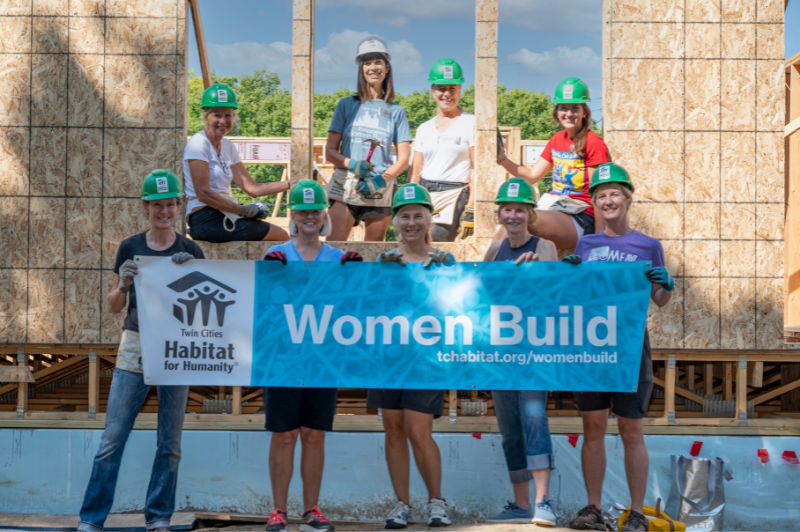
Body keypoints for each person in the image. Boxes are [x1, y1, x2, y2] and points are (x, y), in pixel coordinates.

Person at [77, 170, 204, 532]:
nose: (164, 211)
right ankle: (91, 518)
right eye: (157, 205)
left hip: (178, 350)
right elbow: (115, 305)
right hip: (136, 347)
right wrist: (126, 281)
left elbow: (204, 310)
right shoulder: (130, 247)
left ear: (178, 207)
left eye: (170, 204)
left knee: (170, 442)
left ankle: (159, 517)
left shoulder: (191, 249)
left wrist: (193, 271)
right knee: (112, 439)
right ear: (146, 208)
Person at [563, 163, 674, 532]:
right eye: (601, 195)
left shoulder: (648, 245)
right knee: (592, 426)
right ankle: (593, 509)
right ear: (593, 203)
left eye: (614, 194)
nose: (608, 200)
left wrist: (666, 285)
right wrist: (570, 275)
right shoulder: (587, 244)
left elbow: (659, 300)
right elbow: (578, 297)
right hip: (593, 346)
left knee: (631, 430)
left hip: (629, 346)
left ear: (627, 200)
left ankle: (637, 513)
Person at [260, 180, 363, 532]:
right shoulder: (277, 256)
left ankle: (311, 510)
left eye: (314, 211)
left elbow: (353, 311)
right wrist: (267, 274)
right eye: (302, 211)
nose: (309, 217)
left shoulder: (338, 258)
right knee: (284, 434)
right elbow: (264, 309)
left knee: (313, 434)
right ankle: (278, 511)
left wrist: (357, 278)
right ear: (292, 215)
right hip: (283, 360)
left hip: (323, 360)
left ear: (323, 216)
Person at [368, 184, 453, 529]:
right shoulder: (384, 259)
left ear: (429, 219)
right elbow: (371, 308)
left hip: (427, 359)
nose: (412, 223)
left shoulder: (443, 260)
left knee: (419, 431)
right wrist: (380, 276)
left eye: (418, 215)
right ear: (395, 221)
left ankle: (437, 501)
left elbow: (458, 307)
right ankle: (402, 504)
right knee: (393, 428)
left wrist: (448, 275)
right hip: (389, 358)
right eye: (405, 216)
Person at [481, 178, 559, 526]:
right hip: (500, 352)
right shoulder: (494, 251)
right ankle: (521, 504)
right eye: (507, 209)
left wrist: (535, 274)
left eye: (519, 210)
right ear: (500, 213)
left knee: (533, 418)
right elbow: (477, 295)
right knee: (510, 428)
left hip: (533, 353)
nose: (513, 215)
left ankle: (544, 502)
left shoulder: (544, 246)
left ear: (530, 214)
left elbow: (554, 294)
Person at [494, 78, 609, 249]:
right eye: (563, 107)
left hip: (581, 216)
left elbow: (598, 194)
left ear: (585, 112)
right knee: (510, 220)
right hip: (555, 208)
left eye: (575, 108)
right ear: (556, 112)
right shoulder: (557, 139)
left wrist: (599, 240)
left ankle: (484, 273)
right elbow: (532, 176)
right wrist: (502, 159)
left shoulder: (593, 143)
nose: (569, 114)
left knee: (518, 220)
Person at [324, 36, 412, 242]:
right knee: (334, 250)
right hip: (345, 183)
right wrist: (352, 163)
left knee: (372, 256)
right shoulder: (346, 105)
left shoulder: (396, 111)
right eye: (367, 62)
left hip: (380, 187)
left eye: (378, 62)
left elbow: (404, 160)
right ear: (361, 68)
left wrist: (380, 180)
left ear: (387, 67)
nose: (373, 67)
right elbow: (329, 151)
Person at [184, 83, 290, 243]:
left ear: (234, 117)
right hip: (204, 218)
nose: (223, 121)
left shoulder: (228, 146)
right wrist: (243, 210)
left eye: (227, 115)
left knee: (279, 236)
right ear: (206, 118)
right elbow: (203, 193)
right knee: (280, 236)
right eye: (216, 116)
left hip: (223, 212)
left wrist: (291, 184)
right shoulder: (198, 143)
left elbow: (252, 189)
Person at [409, 58, 475, 242]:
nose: (447, 94)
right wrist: (409, 204)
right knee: (414, 246)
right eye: (441, 88)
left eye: (452, 88)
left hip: (453, 195)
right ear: (433, 91)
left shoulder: (471, 123)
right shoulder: (424, 128)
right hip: (425, 194)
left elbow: (477, 169)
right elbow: (415, 172)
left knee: (435, 244)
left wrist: (471, 208)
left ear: (460, 90)